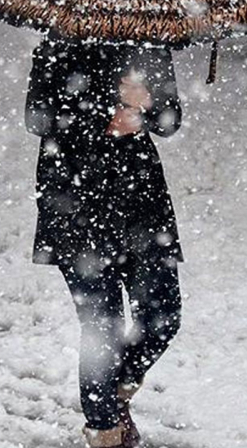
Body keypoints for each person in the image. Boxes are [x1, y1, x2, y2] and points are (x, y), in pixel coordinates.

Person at [25, 34, 184, 448]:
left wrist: (146, 108)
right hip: (75, 203)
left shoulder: (149, 43)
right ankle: (105, 431)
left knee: (162, 315)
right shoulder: (58, 44)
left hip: (141, 205)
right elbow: (38, 119)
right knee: (103, 329)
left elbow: (171, 120)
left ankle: (117, 392)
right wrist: (106, 111)